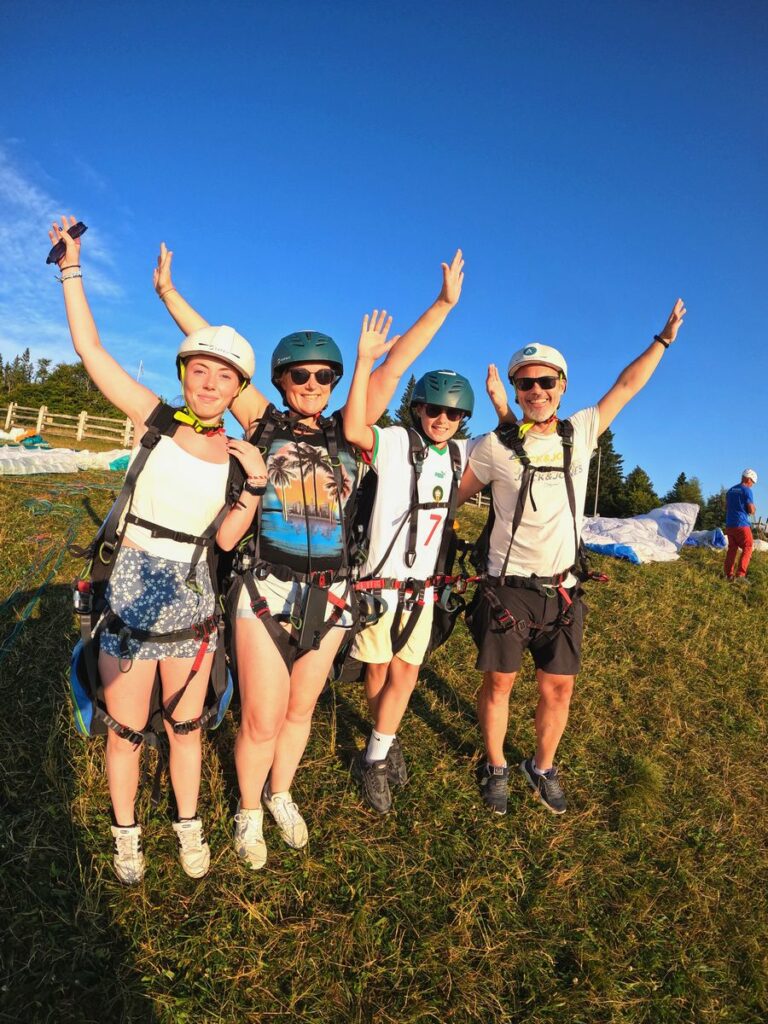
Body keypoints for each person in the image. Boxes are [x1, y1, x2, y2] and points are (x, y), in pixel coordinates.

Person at [154, 243, 465, 866]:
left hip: (333, 591)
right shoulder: (262, 421)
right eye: (302, 375)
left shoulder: (352, 429)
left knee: (300, 712)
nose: (315, 385)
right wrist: (168, 295)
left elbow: (397, 364)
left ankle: (281, 792)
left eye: (326, 375)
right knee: (261, 719)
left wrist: (442, 305)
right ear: (278, 381)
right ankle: (247, 813)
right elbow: (213, 350)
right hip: (265, 585)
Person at [49, 217, 267, 883]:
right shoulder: (155, 419)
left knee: (187, 725)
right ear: (184, 372)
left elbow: (227, 539)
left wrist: (255, 484)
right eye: (199, 370)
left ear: (236, 391)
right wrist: (71, 268)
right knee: (124, 727)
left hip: (195, 596)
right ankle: (126, 835)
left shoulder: (237, 458)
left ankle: (188, 826)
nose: (208, 384)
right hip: (134, 586)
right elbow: (91, 351)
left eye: (222, 377)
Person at [457, 300, 686, 816]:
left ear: (563, 387)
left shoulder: (580, 432)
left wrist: (663, 340)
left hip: (561, 589)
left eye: (546, 383)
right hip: (507, 587)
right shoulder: (493, 447)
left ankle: (540, 766)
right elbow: (448, 497)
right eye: (525, 384)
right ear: (515, 391)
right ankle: (495, 765)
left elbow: (627, 386)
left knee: (557, 690)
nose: (536, 391)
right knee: (499, 684)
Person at [724, 469, 758, 581]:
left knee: (732, 548)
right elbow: (750, 508)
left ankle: (728, 575)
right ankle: (740, 575)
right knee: (748, 547)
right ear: (748, 479)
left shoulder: (730, 490)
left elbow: (727, 507)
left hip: (730, 524)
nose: (752, 485)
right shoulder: (746, 490)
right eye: (752, 482)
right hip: (741, 524)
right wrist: (753, 510)